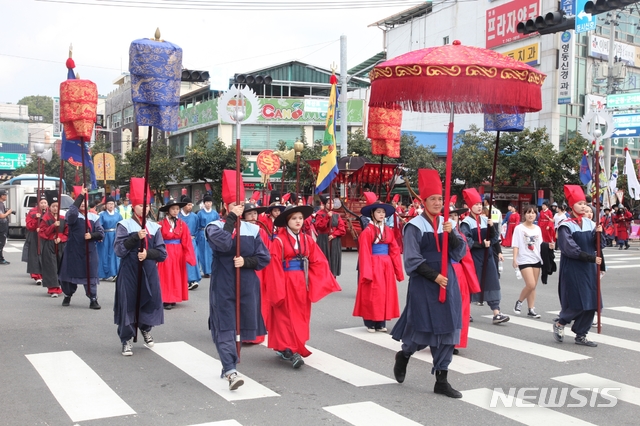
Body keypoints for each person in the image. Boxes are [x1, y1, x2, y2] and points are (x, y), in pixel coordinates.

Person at [391, 169, 466, 399]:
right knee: (420, 327)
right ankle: (404, 355)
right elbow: (412, 260)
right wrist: (434, 276)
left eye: (439, 199)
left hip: (448, 281)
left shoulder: (447, 223)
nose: (437, 203)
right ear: (423, 202)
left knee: (448, 328)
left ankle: (441, 379)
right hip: (425, 282)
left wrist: (451, 234)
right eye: (432, 199)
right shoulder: (414, 226)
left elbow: (460, 251)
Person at [205, 170, 270, 390]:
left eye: (240, 204)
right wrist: (231, 219)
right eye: (234, 204)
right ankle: (231, 370)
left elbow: (264, 258)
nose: (239, 208)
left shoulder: (253, 229)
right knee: (225, 326)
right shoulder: (213, 226)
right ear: (226, 206)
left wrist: (247, 262)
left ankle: (228, 364)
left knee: (241, 328)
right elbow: (222, 244)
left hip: (247, 285)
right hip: (224, 284)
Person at [262, 204, 341, 368]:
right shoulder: (278, 241)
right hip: (285, 281)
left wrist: (318, 280)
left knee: (300, 315)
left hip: (301, 282)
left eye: (300, 218)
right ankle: (290, 350)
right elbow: (274, 266)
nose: (298, 221)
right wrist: (277, 290)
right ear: (287, 221)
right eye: (294, 218)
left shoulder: (307, 239)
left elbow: (318, 261)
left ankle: (294, 346)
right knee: (284, 315)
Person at [114, 178, 167, 356]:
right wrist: (135, 237)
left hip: (149, 270)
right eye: (140, 206)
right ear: (133, 207)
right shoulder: (124, 225)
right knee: (128, 302)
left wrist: (148, 254)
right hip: (129, 270)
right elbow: (119, 250)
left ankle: (145, 328)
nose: (143, 209)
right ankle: (126, 338)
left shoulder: (154, 227)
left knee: (149, 301)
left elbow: (162, 253)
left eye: (146, 206)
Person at [553, 185, 604, 347]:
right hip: (574, 267)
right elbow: (569, 249)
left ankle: (581, 334)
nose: (584, 206)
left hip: (589, 267)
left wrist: (599, 233)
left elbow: (599, 245)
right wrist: (590, 258)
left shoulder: (591, 223)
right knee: (577, 300)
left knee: (593, 301)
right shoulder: (565, 225)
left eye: (585, 203)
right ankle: (561, 322)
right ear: (571, 205)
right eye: (580, 203)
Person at [353, 192, 403, 333]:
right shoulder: (367, 231)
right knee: (373, 293)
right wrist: (366, 272)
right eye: (378, 212)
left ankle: (381, 322)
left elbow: (394, 250)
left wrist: (398, 271)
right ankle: (370, 322)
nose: (381, 214)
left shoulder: (388, 230)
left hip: (386, 264)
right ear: (372, 213)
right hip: (373, 263)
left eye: (383, 212)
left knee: (384, 293)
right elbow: (364, 252)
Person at [460, 188, 509, 325]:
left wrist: (492, 228)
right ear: (470, 206)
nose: (479, 206)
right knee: (472, 282)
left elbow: (494, 238)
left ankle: (496, 312)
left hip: (487, 256)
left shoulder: (486, 220)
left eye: (480, 204)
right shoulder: (466, 223)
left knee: (492, 281)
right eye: (476, 204)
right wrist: (480, 244)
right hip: (473, 257)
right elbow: (465, 241)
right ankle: (466, 311)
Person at [59, 187, 105, 309]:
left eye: (85, 201)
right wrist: (80, 196)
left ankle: (93, 299)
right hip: (73, 250)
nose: (83, 204)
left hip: (89, 251)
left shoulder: (94, 217)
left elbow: (101, 233)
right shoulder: (72, 215)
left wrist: (92, 235)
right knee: (69, 276)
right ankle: (67, 295)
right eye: (81, 201)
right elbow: (72, 214)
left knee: (90, 276)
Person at [447, 205, 480, 355]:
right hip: (444, 272)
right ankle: (443, 339)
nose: (453, 218)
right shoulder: (437, 233)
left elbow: (465, 259)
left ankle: (456, 341)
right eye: (450, 215)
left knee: (461, 308)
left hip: (458, 272)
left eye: (455, 216)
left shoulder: (460, 234)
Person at [157, 198, 197, 310]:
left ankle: (174, 297)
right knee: (166, 275)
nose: (175, 211)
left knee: (177, 275)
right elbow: (157, 240)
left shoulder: (182, 224)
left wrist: (189, 256)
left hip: (178, 253)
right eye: (173, 209)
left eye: (177, 209)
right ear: (168, 211)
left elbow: (186, 241)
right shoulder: (160, 224)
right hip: (165, 251)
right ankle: (166, 298)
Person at [512, 206, 543, 319]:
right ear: (524, 214)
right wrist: (515, 259)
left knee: (533, 286)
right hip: (524, 259)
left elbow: (540, 244)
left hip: (536, 258)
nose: (531, 215)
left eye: (533, 213)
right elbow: (516, 244)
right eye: (529, 213)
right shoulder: (519, 228)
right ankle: (519, 301)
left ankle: (531, 309)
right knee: (530, 284)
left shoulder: (538, 228)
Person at [38, 190, 68, 297]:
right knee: (51, 266)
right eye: (53, 206)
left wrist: (61, 238)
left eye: (57, 206)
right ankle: (53, 289)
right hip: (49, 244)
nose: (55, 208)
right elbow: (42, 233)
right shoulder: (45, 218)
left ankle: (61, 285)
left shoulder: (63, 218)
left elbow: (67, 232)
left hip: (60, 244)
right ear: (49, 207)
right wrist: (53, 226)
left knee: (61, 265)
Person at [314, 195, 346, 277]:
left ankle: (333, 278)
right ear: (324, 204)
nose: (331, 205)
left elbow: (342, 229)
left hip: (334, 240)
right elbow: (319, 226)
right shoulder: (320, 214)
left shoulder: (337, 215)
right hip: (323, 239)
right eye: (329, 203)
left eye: (332, 203)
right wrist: (327, 217)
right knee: (324, 259)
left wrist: (334, 235)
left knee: (334, 260)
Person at [23, 194, 47, 284]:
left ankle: (45, 274)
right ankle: (37, 276)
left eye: (45, 203)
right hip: (34, 236)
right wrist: (36, 219)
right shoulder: (32, 212)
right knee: (34, 255)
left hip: (46, 236)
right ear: (38, 203)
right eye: (42, 203)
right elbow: (29, 225)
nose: (44, 205)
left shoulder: (50, 211)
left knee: (46, 255)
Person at [97, 196, 123, 281]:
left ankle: (115, 272)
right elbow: (99, 226)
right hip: (105, 235)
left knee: (114, 254)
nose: (111, 205)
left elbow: (121, 225)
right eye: (109, 204)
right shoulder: (102, 215)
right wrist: (100, 235)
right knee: (104, 254)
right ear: (106, 205)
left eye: (112, 204)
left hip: (115, 235)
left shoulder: (118, 215)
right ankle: (103, 273)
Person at [179, 196, 201, 290]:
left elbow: (197, 228)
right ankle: (184, 280)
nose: (190, 207)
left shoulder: (195, 216)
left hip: (191, 241)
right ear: (184, 206)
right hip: (180, 241)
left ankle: (192, 280)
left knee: (193, 259)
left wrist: (194, 237)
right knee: (182, 260)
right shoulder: (178, 216)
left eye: (191, 205)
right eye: (188, 205)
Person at [196, 195, 219, 278]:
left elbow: (218, 223)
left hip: (212, 234)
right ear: (204, 203)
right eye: (207, 202)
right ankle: (205, 271)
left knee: (211, 252)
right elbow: (197, 225)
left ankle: (211, 269)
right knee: (203, 252)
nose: (208, 204)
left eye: (210, 202)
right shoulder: (200, 213)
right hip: (202, 233)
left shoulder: (215, 213)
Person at [0, 189, 11, 265]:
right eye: (5, 195)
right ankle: (1, 259)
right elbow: (1, 216)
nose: (6, 196)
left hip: (2, 225)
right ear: (1, 196)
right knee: (1, 243)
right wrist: (8, 212)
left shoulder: (2, 204)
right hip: (1, 225)